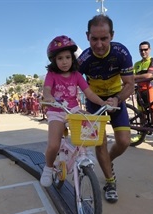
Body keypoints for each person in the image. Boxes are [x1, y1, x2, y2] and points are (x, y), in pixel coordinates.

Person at [77, 15, 135, 203]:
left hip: (116, 99)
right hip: (94, 102)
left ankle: (107, 162)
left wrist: (117, 99)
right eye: (95, 39)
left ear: (112, 35)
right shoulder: (83, 59)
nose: (99, 44)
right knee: (99, 142)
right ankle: (110, 181)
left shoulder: (122, 53)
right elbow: (71, 82)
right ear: (87, 36)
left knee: (124, 141)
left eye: (104, 38)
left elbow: (129, 84)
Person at [40, 35, 110, 188]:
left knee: (89, 123)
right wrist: (50, 98)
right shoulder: (51, 75)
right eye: (60, 58)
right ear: (54, 60)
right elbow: (46, 91)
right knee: (53, 145)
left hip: (73, 110)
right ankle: (48, 167)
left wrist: (102, 102)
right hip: (57, 111)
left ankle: (85, 152)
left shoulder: (77, 75)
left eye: (67, 57)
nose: (64, 61)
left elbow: (89, 93)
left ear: (73, 58)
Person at [132, 41, 153, 147]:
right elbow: (131, 77)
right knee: (141, 115)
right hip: (140, 91)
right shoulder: (137, 64)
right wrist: (140, 77)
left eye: (145, 49)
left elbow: (149, 76)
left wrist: (136, 77)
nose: (143, 52)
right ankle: (141, 134)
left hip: (151, 90)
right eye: (141, 50)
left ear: (149, 49)